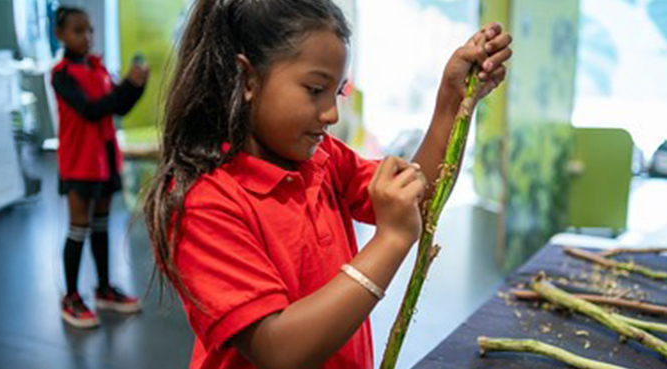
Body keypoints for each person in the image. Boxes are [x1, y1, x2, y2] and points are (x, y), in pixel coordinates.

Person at [143, 0, 512, 367]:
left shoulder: (324, 159)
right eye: (315, 89)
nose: (332, 114)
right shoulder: (203, 202)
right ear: (248, 79)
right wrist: (391, 241)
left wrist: (452, 100)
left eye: (337, 92)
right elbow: (278, 350)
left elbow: (416, 199)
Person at [52, 6, 147, 328]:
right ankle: (71, 297)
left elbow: (118, 107)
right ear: (60, 35)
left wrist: (135, 86)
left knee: (102, 225)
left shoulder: (99, 69)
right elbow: (90, 110)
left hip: (105, 159)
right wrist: (124, 87)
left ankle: (104, 289)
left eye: (89, 30)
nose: (87, 36)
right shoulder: (62, 75)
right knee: (79, 228)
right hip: (79, 162)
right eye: (78, 30)